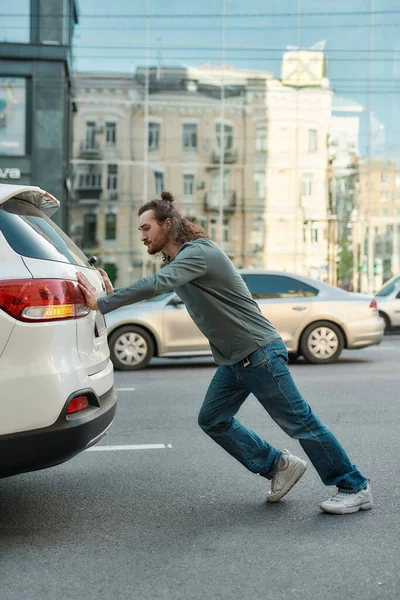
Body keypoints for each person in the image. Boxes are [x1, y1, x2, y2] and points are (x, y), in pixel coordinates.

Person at [77, 191, 372, 515]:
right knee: (213, 419)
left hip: (258, 353)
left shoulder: (198, 252)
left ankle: (354, 485)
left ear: (168, 224)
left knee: (300, 422)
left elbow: (158, 284)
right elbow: (158, 286)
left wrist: (104, 303)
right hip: (237, 360)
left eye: (146, 228)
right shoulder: (181, 263)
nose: (142, 236)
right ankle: (278, 466)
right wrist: (112, 293)